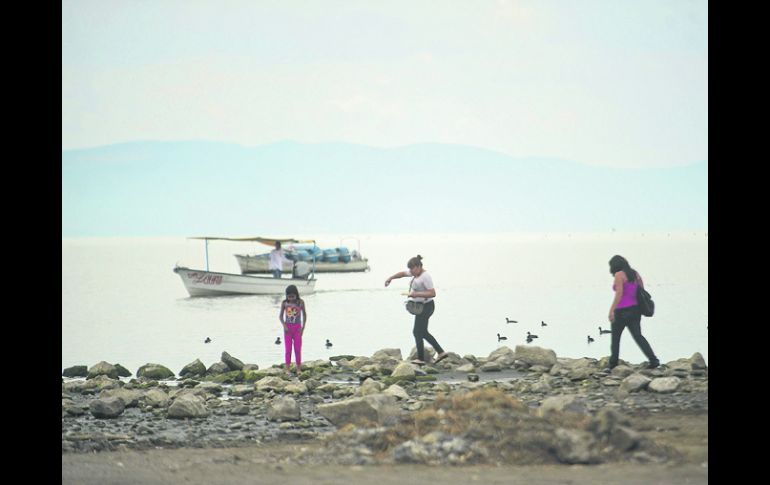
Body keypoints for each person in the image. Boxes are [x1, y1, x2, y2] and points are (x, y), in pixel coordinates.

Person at [385, 255, 449, 365]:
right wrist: (390, 278)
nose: (410, 271)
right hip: (421, 306)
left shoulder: (425, 277)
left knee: (417, 332)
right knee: (422, 332)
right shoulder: (415, 273)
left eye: (412, 269)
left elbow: (432, 293)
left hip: (427, 306)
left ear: (419, 266)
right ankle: (439, 352)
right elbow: (402, 274)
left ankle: (422, 358)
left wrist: (415, 294)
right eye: (410, 269)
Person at [607, 255, 660, 370]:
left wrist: (611, 310)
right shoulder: (635, 274)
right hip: (635, 310)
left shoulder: (618, 275)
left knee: (615, 338)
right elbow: (641, 290)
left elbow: (619, 294)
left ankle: (613, 364)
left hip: (621, 311)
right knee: (638, 336)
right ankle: (654, 360)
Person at [279, 284, 307, 374]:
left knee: (297, 349)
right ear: (286, 296)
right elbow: (280, 316)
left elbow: (304, 315)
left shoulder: (300, 302)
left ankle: (298, 368)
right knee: (288, 349)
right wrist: (284, 326)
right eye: (289, 296)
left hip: (297, 329)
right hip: (287, 329)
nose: (291, 298)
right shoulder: (284, 303)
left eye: (293, 296)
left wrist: (303, 328)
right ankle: (287, 368)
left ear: (296, 295)